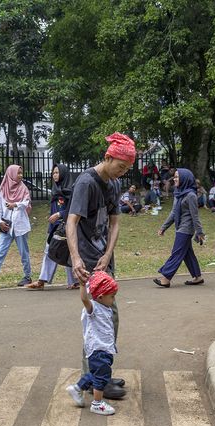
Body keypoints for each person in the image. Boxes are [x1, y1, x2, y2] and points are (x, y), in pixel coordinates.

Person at [66, 131, 135, 400]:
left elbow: (115, 221)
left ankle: (100, 375)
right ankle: (96, 382)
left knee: (110, 318)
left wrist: (108, 254)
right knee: (98, 320)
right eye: (120, 166)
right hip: (87, 260)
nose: (122, 172)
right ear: (107, 157)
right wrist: (76, 259)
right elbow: (71, 221)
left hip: (104, 260)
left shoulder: (114, 184)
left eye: (127, 169)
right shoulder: (86, 183)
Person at [66, 271, 119, 416]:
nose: (113, 300)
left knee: (96, 374)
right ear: (101, 297)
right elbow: (84, 299)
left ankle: (77, 388)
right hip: (98, 349)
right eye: (112, 297)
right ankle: (97, 404)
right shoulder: (93, 308)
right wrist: (83, 285)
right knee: (102, 376)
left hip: (105, 348)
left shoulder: (106, 307)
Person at [0, 165, 33, 288]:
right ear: (11, 174)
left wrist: (15, 204)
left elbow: (26, 203)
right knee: (0, 251)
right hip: (6, 226)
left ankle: (27, 276)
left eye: (21, 173)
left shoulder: (23, 188)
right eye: (18, 173)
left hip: (20, 225)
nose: (20, 175)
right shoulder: (3, 190)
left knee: (24, 252)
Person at [26, 163, 78, 290]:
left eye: (57, 172)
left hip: (67, 226)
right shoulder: (55, 190)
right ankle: (42, 281)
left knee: (68, 252)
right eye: (53, 173)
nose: (54, 175)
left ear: (63, 174)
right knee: (50, 251)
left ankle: (74, 282)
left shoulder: (71, 191)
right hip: (54, 227)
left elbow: (75, 210)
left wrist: (60, 214)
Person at [153, 168, 205, 288]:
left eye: (177, 177)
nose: (174, 179)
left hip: (186, 228)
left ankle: (166, 278)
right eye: (174, 177)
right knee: (187, 253)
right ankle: (197, 277)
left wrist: (200, 232)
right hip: (179, 226)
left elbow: (195, 216)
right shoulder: (178, 192)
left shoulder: (191, 195)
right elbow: (173, 212)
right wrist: (163, 227)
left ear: (185, 179)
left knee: (176, 253)